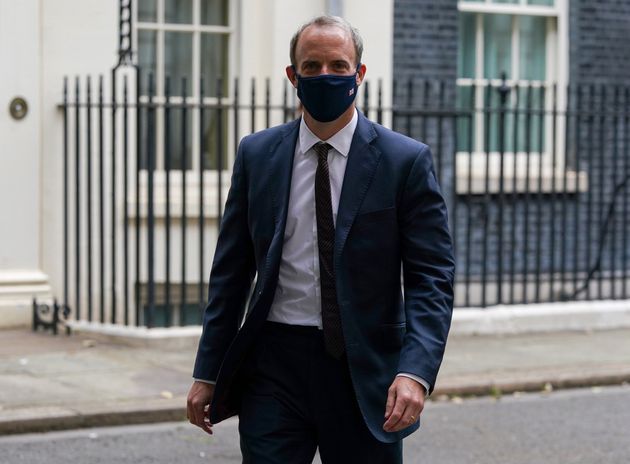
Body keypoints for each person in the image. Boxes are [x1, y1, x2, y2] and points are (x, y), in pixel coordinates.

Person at [187, 15, 455, 464]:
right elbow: (231, 274)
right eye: (311, 67)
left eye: (338, 65)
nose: (325, 76)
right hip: (273, 366)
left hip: (364, 372)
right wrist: (207, 371)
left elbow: (432, 278)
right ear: (293, 76)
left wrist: (416, 371)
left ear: (360, 74)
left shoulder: (403, 161)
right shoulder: (257, 154)